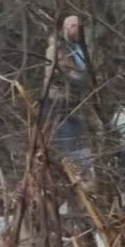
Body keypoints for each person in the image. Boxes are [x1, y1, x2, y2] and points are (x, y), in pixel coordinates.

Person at [45, 15, 92, 172]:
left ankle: (77, 171)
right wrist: (80, 78)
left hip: (77, 100)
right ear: (65, 28)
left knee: (80, 137)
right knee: (67, 137)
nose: (76, 29)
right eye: (72, 26)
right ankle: (68, 173)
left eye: (78, 26)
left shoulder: (80, 48)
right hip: (59, 101)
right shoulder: (56, 49)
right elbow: (57, 74)